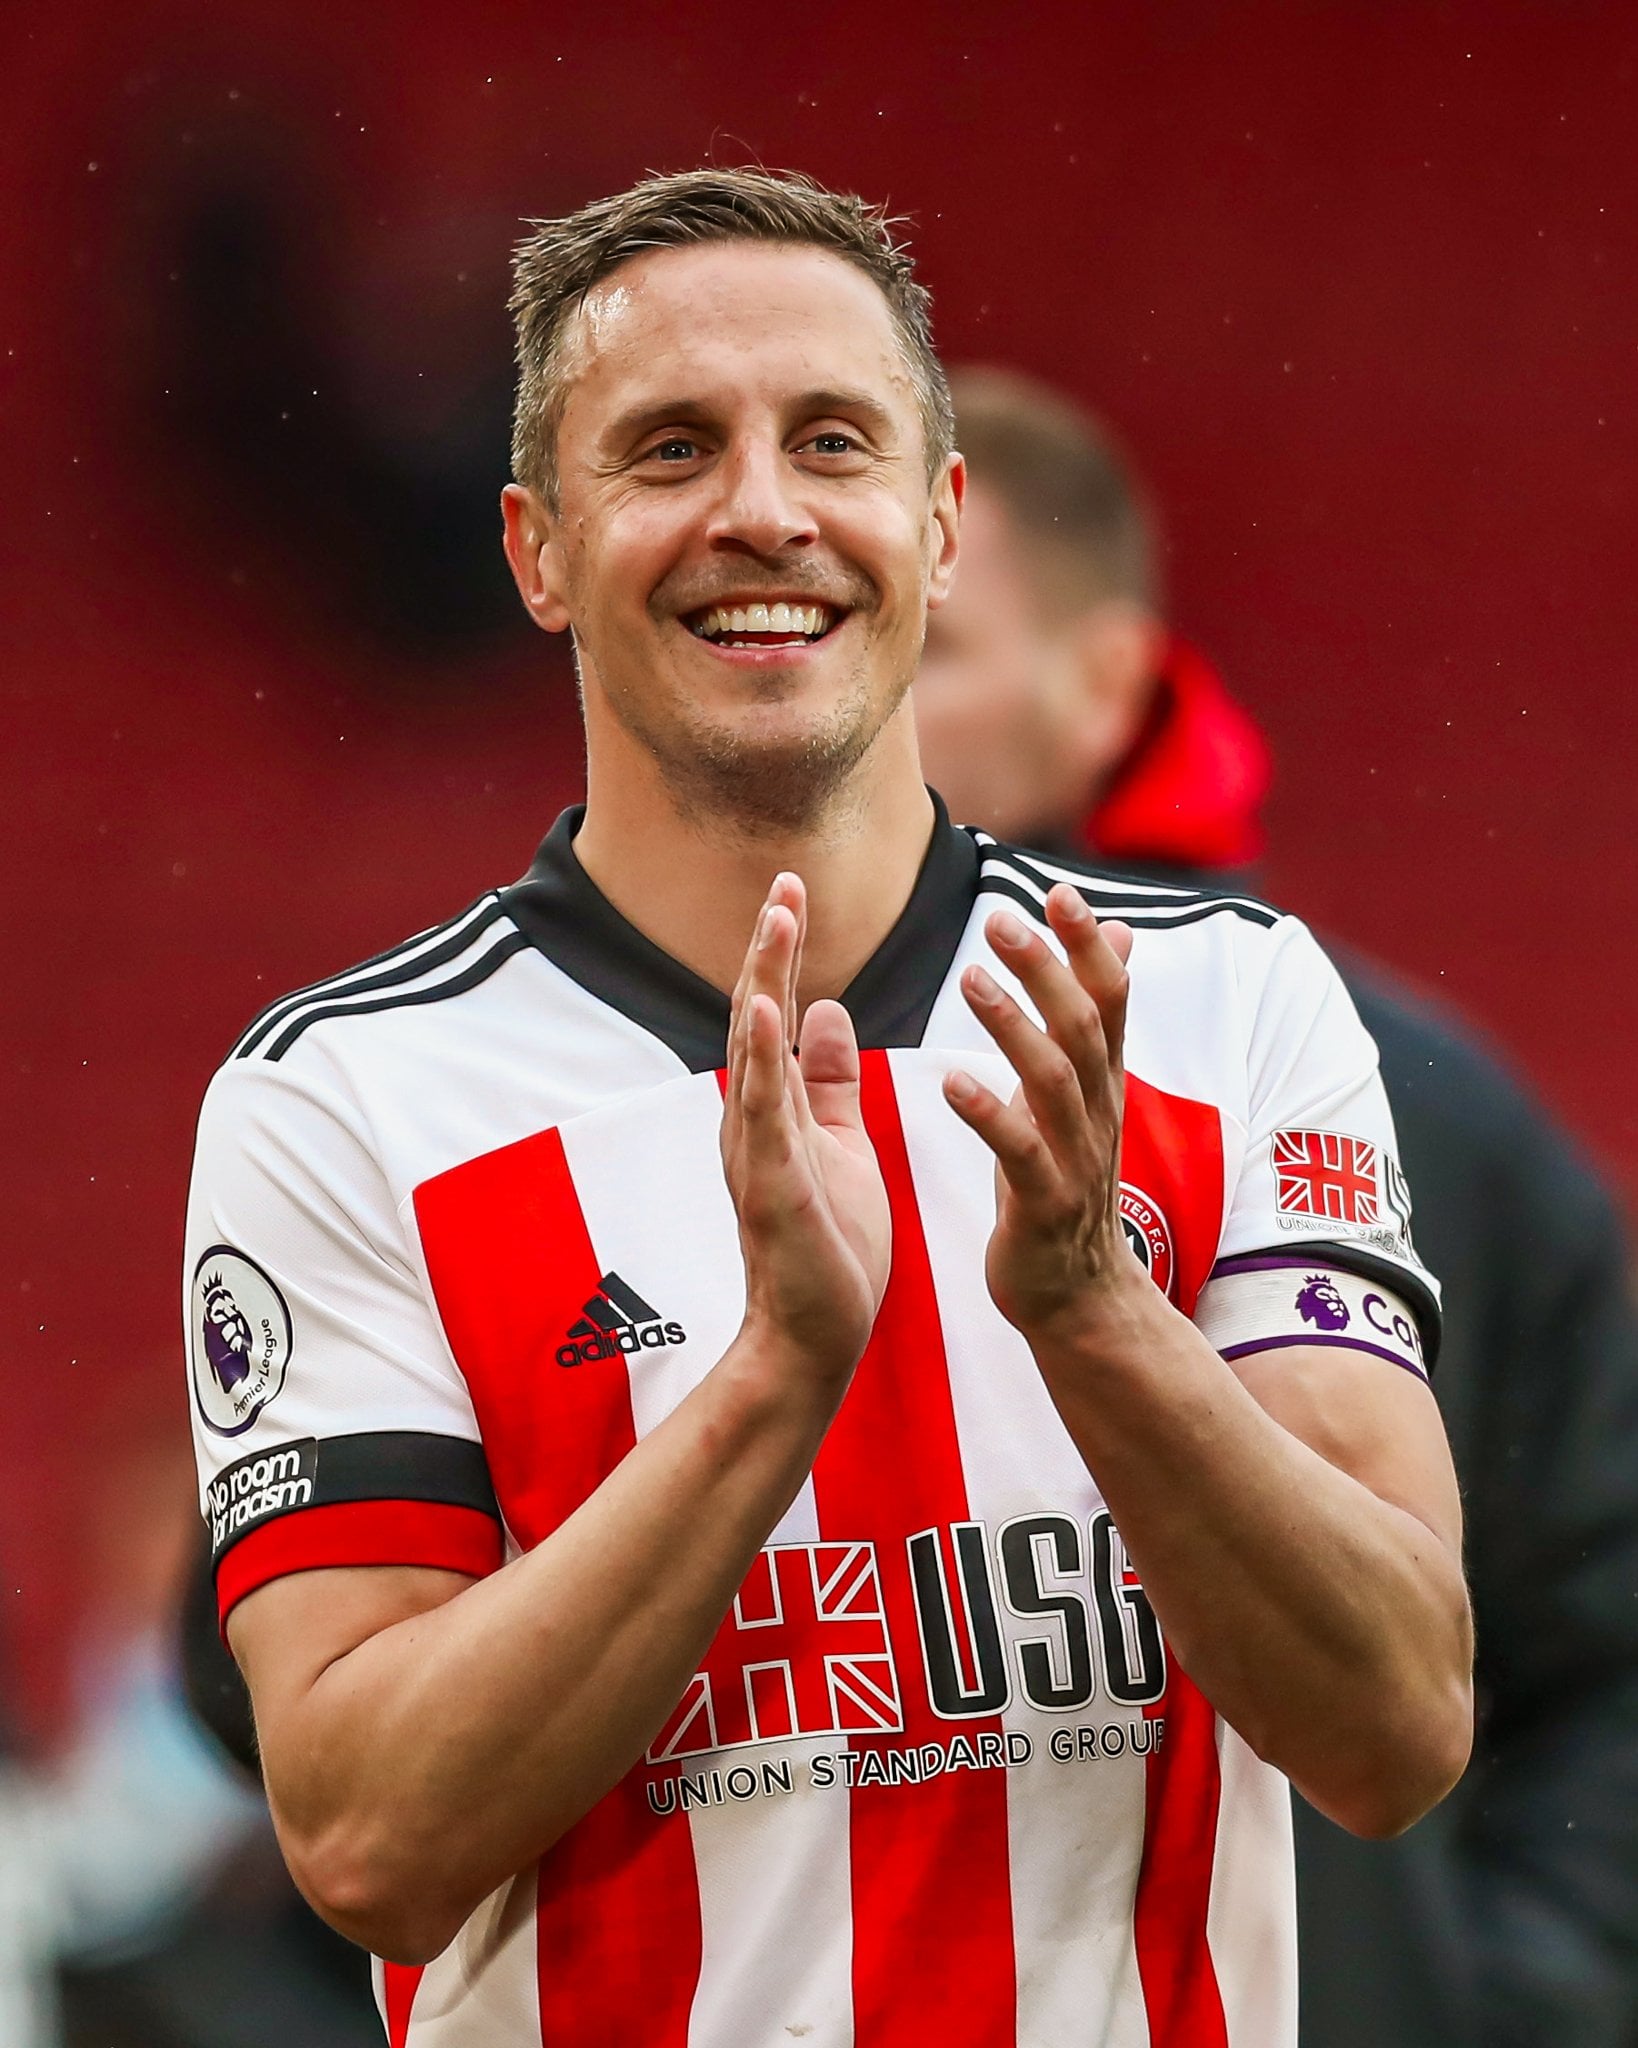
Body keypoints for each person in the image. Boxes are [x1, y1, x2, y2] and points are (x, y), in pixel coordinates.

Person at [182, 168, 1471, 2048]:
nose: (763, 512)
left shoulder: (1220, 1003)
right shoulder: (348, 1103)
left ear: (937, 526)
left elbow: (1399, 1727)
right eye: (670, 449)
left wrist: (1095, 1317)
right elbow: (367, 1837)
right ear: (538, 551)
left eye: (831, 440)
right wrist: (774, 1380)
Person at [915, 365, 1638, 2048]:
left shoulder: (1416, 1107)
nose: (862, 702)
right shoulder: (627, 1090)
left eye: (931, 649)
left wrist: (1491, 2008)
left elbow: (1608, 1650)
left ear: (1106, 686)